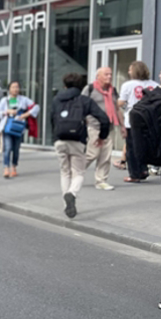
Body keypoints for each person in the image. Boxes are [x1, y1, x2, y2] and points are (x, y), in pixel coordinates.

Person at [50, 73, 110, 218]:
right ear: (81, 86)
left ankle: (66, 205)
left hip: (60, 139)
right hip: (77, 140)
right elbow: (104, 119)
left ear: (65, 85)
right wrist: (102, 137)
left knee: (65, 172)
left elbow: (52, 119)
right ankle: (72, 193)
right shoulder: (84, 100)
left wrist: (55, 137)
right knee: (79, 172)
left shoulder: (56, 99)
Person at [81, 67, 125, 190]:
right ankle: (75, 173)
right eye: (106, 74)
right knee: (92, 154)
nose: (109, 76)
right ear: (98, 76)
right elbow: (81, 106)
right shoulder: (89, 89)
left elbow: (117, 109)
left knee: (105, 156)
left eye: (110, 74)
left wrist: (122, 126)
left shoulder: (113, 90)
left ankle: (101, 181)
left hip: (109, 127)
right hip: (94, 126)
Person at [117, 61, 159, 182]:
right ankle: (144, 169)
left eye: (130, 69)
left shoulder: (128, 85)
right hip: (151, 120)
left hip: (133, 120)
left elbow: (121, 102)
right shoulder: (154, 85)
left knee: (132, 147)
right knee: (146, 146)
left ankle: (135, 174)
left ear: (134, 71)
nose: (129, 72)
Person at [0, 81, 39, 178]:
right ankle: (6, 168)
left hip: (18, 128)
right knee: (7, 148)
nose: (15, 89)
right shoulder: (4, 100)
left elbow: (36, 107)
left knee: (16, 149)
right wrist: (6, 111)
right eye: (13, 87)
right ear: (9, 89)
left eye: (17, 87)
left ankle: (14, 167)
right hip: (7, 127)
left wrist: (25, 115)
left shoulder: (23, 100)